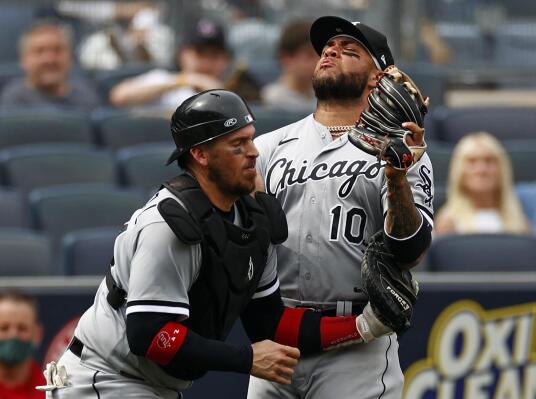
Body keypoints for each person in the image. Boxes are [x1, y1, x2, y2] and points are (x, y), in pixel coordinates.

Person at [38, 89, 395, 398]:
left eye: (252, 139)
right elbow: (150, 335)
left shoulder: (254, 220)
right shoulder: (168, 224)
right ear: (201, 155)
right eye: (237, 144)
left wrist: (364, 326)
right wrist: (246, 359)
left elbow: (269, 323)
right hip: (104, 379)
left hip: (149, 385)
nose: (254, 153)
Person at [250, 16, 434, 398]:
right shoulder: (269, 147)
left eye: (350, 52)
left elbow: (410, 251)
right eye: (328, 49)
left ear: (377, 78)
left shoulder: (403, 150)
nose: (331, 52)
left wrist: (397, 176)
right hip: (277, 334)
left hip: (356, 344)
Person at [109, 19, 230, 110]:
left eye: (214, 55)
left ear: (225, 60)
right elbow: (119, 96)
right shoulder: (165, 79)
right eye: (200, 53)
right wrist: (186, 81)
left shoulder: (235, 90)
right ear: (183, 54)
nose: (207, 62)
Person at [435, 132, 530, 235]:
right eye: (472, 161)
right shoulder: (447, 223)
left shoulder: (521, 223)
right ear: (459, 171)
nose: (481, 170)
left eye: (489, 161)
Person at [0, 19, 101, 112]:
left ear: (70, 57)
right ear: (23, 60)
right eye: (39, 51)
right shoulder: (11, 104)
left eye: (57, 50)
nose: (49, 59)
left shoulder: (87, 97)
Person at [261, 20, 318, 112]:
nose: (318, 62)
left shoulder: (326, 98)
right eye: (310, 55)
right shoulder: (270, 100)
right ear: (286, 58)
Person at [0, 290, 45, 399]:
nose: (13, 335)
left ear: (37, 334)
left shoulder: (50, 392)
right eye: (4, 328)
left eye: (22, 328)